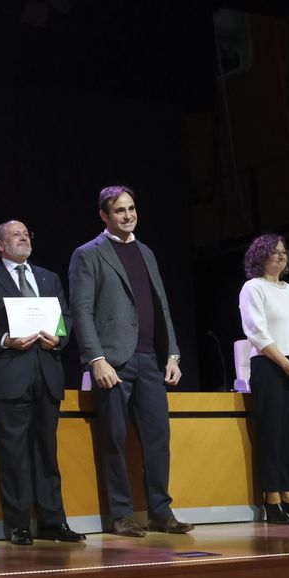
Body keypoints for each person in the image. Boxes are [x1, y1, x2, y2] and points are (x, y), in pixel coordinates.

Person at [67, 186, 192, 537]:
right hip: (114, 362)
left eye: (132, 208)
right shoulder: (88, 254)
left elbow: (161, 305)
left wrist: (173, 353)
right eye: (119, 210)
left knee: (157, 438)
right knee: (114, 438)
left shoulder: (146, 252)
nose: (128, 215)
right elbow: (81, 311)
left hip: (150, 359)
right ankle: (121, 513)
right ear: (104, 216)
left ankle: (161, 512)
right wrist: (96, 358)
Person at [0, 220, 83, 545]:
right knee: (13, 455)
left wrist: (59, 338)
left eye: (26, 234)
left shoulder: (48, 277)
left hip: (47, 374)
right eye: (16, 234)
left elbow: (65, 317)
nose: (24, 237)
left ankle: (53, 521)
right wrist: (6, 339)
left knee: (47, 453)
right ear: (0, 244)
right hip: (8, 375)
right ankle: (18, 524)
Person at [238, 234, 289, 525]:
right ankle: (270, 498)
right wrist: (284, 363)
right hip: (271, 365)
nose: (281, 257)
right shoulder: (253, 288)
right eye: (274, 253)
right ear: (260, 257)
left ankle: (288, 494)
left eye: (284, 253)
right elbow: (256, 331)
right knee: (271, 432)